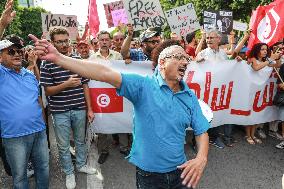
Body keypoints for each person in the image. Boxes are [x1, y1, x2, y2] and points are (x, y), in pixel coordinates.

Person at [31, 33, 210, 189]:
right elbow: (103, 73)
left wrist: (201, 158)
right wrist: (59, 58)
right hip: (150, 177)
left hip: (182, 172)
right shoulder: (143, 86)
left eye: (186, 58)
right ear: (162, 63)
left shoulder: (189, 96)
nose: (185, 62)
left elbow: (201, 130)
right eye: (178, 57)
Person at [39, 27, 96, 189]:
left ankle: (81, 165)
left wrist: (89, 109)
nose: (64, 44)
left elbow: (85, 85)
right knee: (63, 146)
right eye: (59, 41)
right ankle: (69, 172)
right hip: (60, 112)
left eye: (66, 40)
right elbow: (48, 90)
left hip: (79, 108)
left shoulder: (77, 59)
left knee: (80, 140)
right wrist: (66, 84)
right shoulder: (46, 62)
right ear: (52, 43)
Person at [0, 36, 49, 189]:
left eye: (19, 51)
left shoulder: (29, 75)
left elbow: (38, 100)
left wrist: (44, 124)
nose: (17, 54)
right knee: (20, 176)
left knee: (43, 170)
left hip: (39, 133)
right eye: (11, 51)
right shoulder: (2, 75)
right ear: (0, 58)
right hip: (14, 137)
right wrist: (2, 23)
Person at [89, 30, 129, 164]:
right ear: (98, 42)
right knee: (101, 121)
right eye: (102, 40)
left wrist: (127, 63)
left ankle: (124, 147)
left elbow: (124, 73)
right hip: (99, 94)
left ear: (110, 41)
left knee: (120, 118)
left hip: (116, 93)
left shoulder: (118, 57)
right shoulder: (92, 59)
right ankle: (104, 150)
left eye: (107, 39)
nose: (104, 42)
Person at [196, 30, 233, 148]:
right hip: (205, 89)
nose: (208, 40)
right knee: (202, 113)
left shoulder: (223, 54)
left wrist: (236, 63)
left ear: (219, 39)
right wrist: (198, 61)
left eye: (211, 37)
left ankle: (214, 137)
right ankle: (197, 140)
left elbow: (228, 67)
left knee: (216, 112)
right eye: (207, 38)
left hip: (218, 89)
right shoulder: (203, 53)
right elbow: (194, 62)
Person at [246, 42, 281, 144]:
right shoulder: (252, 59)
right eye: (262, 49)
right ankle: (248, 135)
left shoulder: (266, 61)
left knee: (257, 113)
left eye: (266, 49)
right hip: (251, 91)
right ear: (257, 50)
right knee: (250, 113)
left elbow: (277, 65)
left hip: (261, 92)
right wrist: (271, 58)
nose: (265, 51)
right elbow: (256, 67)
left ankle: (253, 135)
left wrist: (277, 57)